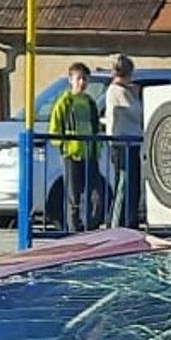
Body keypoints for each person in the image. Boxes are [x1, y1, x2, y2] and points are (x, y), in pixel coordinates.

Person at [46, 63, 102, 235]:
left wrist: (96, 148)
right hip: (72, 154)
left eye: (85, 79)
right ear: (71, 80)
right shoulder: (64, 101)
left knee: (96, 194)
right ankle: (74, 229)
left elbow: (95, 126)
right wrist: (64, 145)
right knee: (73, 195)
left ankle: (91, 227)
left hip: (89, 153)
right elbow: (54, 128)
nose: (82, 82)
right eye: (79, 79)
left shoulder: (90, 102)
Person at [101, 55, 147, 229]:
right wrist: (136, 95)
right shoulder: (117, 91)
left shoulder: (125, 90)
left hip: (132, 142)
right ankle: (117, 223)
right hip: (122, 143)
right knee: (124, 185)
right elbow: (136, 112)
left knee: (133, 186)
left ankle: (130, 221)